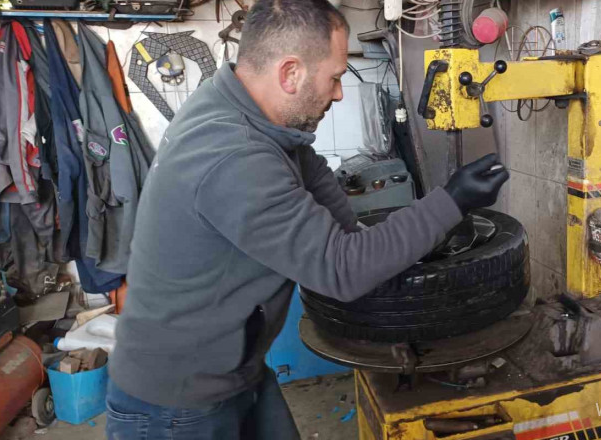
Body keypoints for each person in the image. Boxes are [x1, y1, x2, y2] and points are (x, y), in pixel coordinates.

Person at [105, 0, 509, 438]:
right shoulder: (232, 153)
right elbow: (341, 269)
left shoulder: (258, 122)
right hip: (174, 404)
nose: (338, 93)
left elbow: (341, 227)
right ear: (290, 73)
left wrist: (401, 244)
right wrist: (451, 202)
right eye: (334, 77)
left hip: (235, 368)